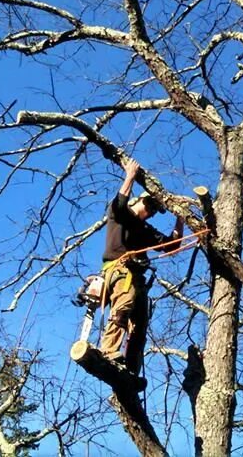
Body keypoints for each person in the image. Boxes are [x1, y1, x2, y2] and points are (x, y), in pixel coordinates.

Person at [99, 158, 183, 376]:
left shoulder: (146, 230)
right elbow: (119, 202)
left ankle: (131, 370)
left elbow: (171, 246)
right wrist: (130, 176)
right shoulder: (121, 215)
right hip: (119, 271)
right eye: (149, 205)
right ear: (137, 201)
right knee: (123, 307)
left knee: (140, 327)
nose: (151, 211)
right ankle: (108, 351)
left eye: (154, 210)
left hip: (138, 279)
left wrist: (180, 219)